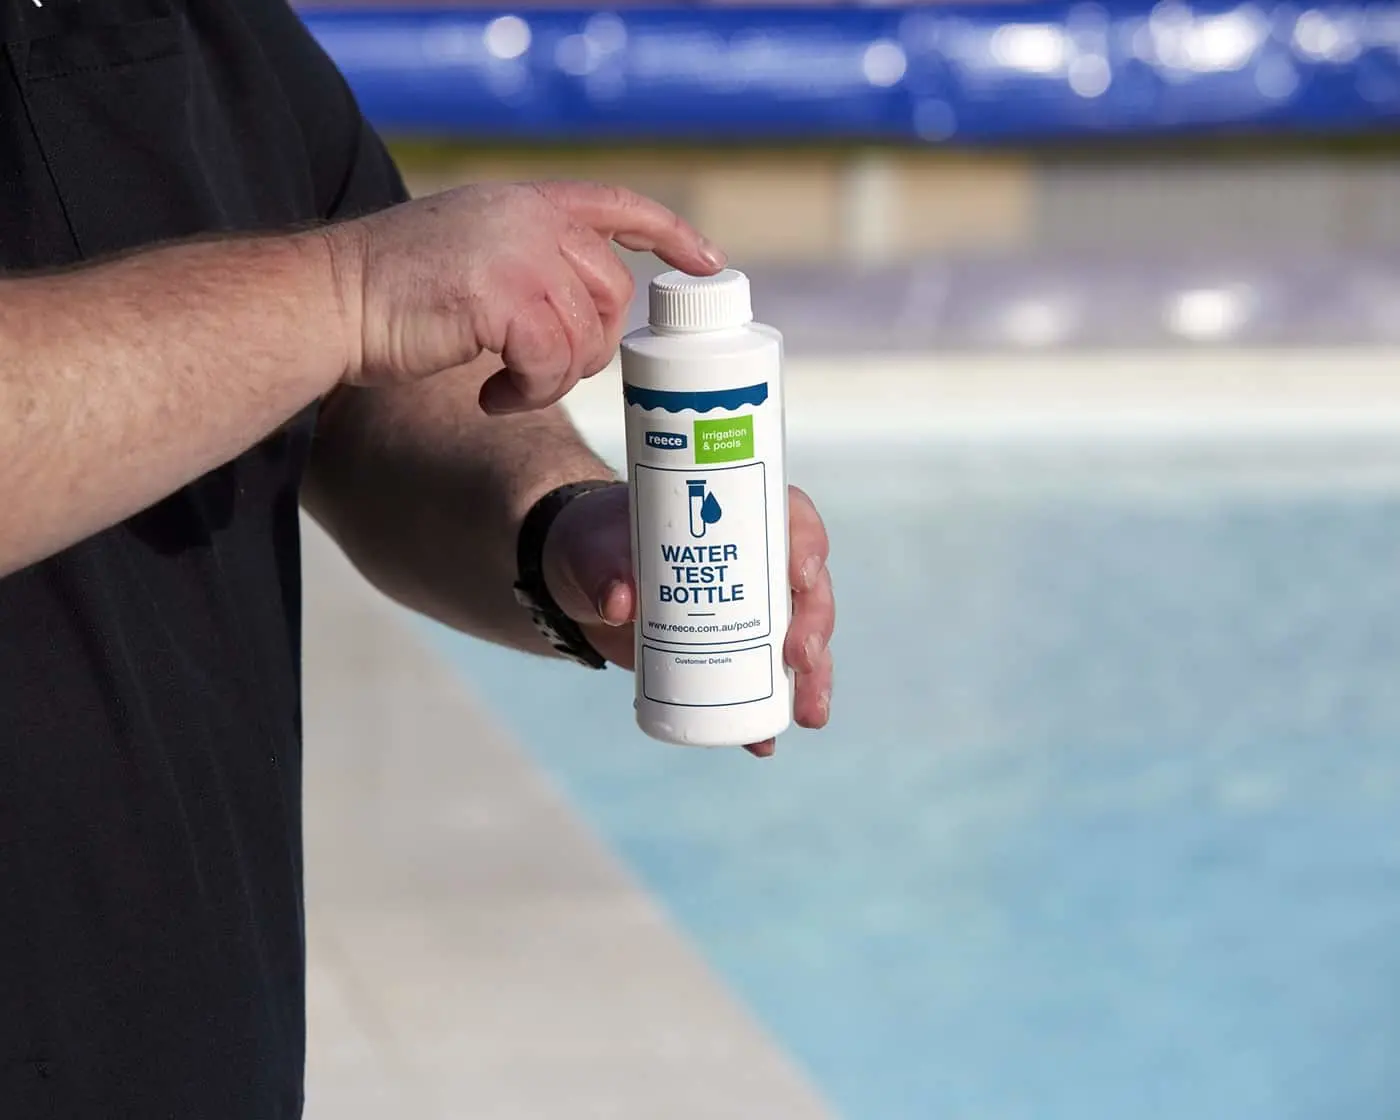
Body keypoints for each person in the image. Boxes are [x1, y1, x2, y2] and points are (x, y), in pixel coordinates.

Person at [0, 0, 836, 1116]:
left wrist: (562, 525)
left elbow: (354, 402)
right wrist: (342, 291)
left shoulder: (217, 31)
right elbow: (342, 313)